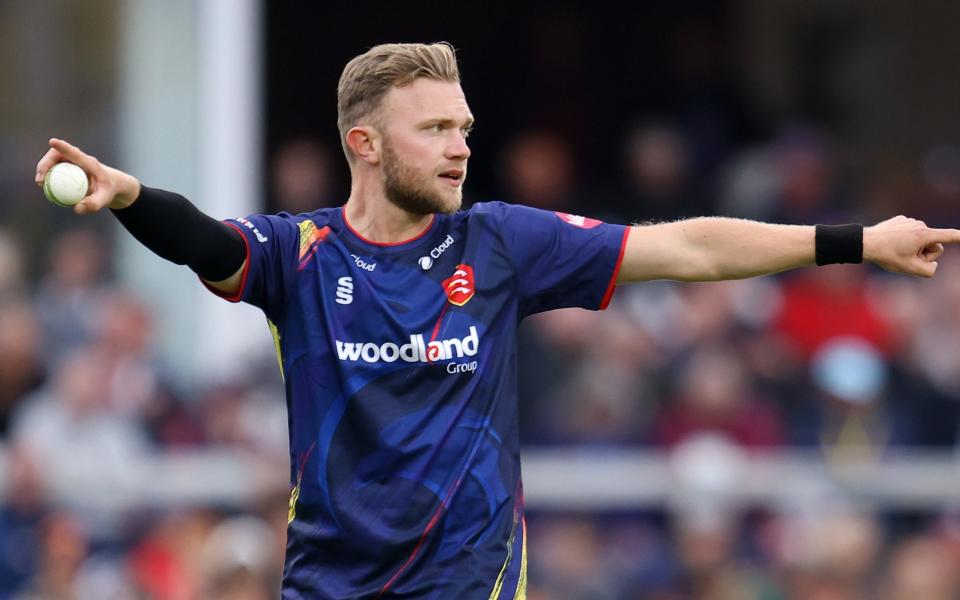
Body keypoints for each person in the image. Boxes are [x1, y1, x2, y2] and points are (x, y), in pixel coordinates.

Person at [33, 42, 960, 599]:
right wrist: (128, 196)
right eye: (433, 128)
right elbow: (203, 241)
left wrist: (856, 239)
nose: (460, 145)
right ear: (366, 143)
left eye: (464, 126)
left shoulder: (501, 243)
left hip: (469, 586)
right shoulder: (301, 254)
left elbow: (687, 249)